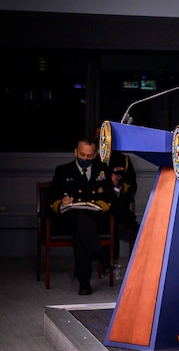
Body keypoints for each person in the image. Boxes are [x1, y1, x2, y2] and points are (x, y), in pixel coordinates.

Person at [49, 137, 118, 295]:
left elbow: (111, 199)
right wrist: (62, 202)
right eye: (82, 154)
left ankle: (84, 281)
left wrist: (98, 206)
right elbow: (51, 199)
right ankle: (102, 258)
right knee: (80, 219)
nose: (85, 159)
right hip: (68, 219)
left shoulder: (103, 170)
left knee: (82, 227)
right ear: (75, 152)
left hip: (95, 218)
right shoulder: (63, 171)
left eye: (89, 156)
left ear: (94, 155)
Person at [95, 124, 139, 257]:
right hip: (99, 204)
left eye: (105, 136)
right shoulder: (91, 158)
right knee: (110, 212)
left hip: (119, 203)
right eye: (99, 136)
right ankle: (134, 223)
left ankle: (112, 263)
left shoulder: (123, 160)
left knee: (112, 213)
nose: (102, 139)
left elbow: (132, 186)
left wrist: (118, 185)